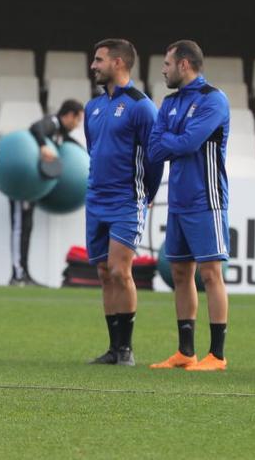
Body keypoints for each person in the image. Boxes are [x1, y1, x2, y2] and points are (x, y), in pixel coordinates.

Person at [147, 40, 231, 371]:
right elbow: (155, 150)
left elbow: (189, 142)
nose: (164, 70)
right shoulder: (168, 103)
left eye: (167, 64)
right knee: (181, 273)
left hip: (206, 199)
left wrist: (173, 139)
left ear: (184, 64)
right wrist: (175, 140)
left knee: (211, 274)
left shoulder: (214, 99)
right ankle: (185, 351)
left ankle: (218, 355)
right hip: (178, 202)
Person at [83, 39, 162, 366]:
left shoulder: (142, 106)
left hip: (127, 200)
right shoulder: (93, 107)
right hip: (96, 199)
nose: (93, 66)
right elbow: (93, 150)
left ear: (118, 63)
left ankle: (126, 349)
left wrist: (147, 196)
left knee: (119, 269)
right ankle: (113, 348)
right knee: (103, 272)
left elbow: (155, 157)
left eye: (99, 60)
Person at [8, 99, 84, 287]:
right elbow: (36, 127)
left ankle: (24, 273)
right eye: (78, 119)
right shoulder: (53, 122)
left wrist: (83, 152)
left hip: (33, 188)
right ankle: (18, 274)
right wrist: (43, 146)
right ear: (69, 115)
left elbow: (68, 141)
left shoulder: (60, 133)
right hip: (22, 184)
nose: (77, 124)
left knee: (26, 228)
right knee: (19, 228)